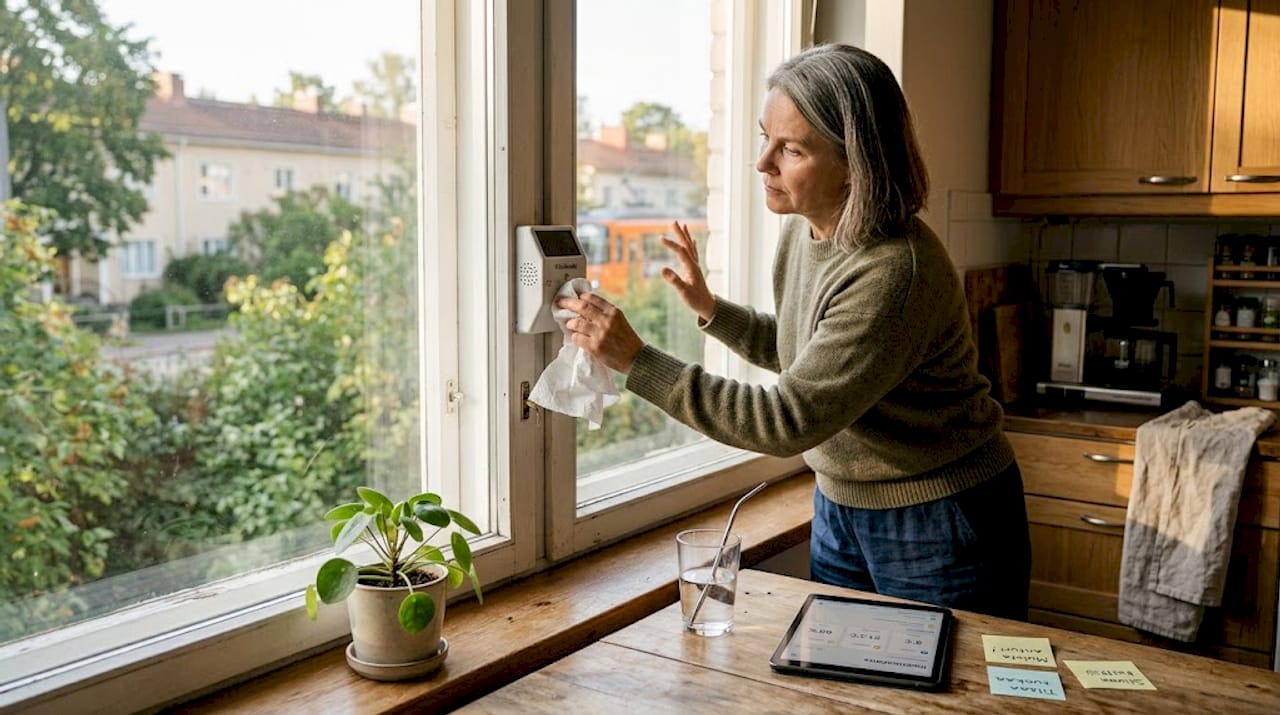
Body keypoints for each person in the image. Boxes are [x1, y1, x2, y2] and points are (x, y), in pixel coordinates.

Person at [556, 43, 1031, 620]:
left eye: (791, 149)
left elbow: (787, 419)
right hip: (840, 503)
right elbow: (812, 356)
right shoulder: (807, 229)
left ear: (856, 164)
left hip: (939, 514)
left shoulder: (894, 270)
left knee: (943, 705)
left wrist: (637, 360)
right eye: (765, 138)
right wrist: (714, 310)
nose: (763, 164)